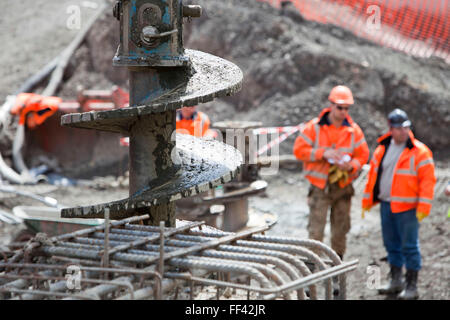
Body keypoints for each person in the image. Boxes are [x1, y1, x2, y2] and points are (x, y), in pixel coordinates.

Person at [362, 108, 436, 300]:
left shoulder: (419, 151)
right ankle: (396, 281)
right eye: (399, 128)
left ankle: (412, 286)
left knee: (410, 247)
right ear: (391, 129)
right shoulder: (382, 149)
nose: (403, 132)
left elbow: (428, 182)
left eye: (406, 128)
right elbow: (373, 178)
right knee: (391, 244)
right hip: (387, 205)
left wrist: (423, 208)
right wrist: (368, 201)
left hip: (408, 209)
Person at [293, 85, 369, 262]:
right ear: (331, 105)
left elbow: (363, 154)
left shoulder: (353, 130)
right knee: (316, 231)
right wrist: (322, 153)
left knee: (340, 231)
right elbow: (299, 150)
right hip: (320, 188)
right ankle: (311, 270)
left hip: (343, 187)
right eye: (340, 107)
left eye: (346, 108)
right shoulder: (314, 127)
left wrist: (351, 166)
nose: (343, 112)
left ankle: (336, 271)